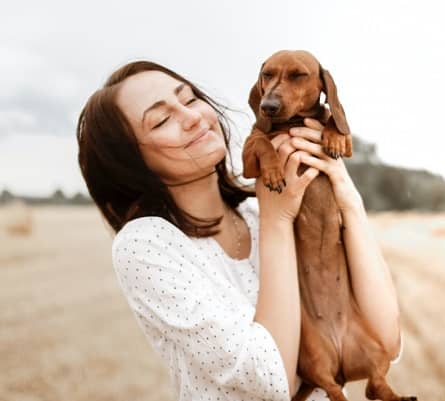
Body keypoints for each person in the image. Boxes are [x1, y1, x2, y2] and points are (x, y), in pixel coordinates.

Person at [76, 60, 403, 401]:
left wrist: (347, 197)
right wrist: (277, 223)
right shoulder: (146, 244)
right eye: (161, 120)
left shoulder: (257, 210)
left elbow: (387, 341)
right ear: (129, 160)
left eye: (189, 100)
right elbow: (271, 381)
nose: (192, 118)